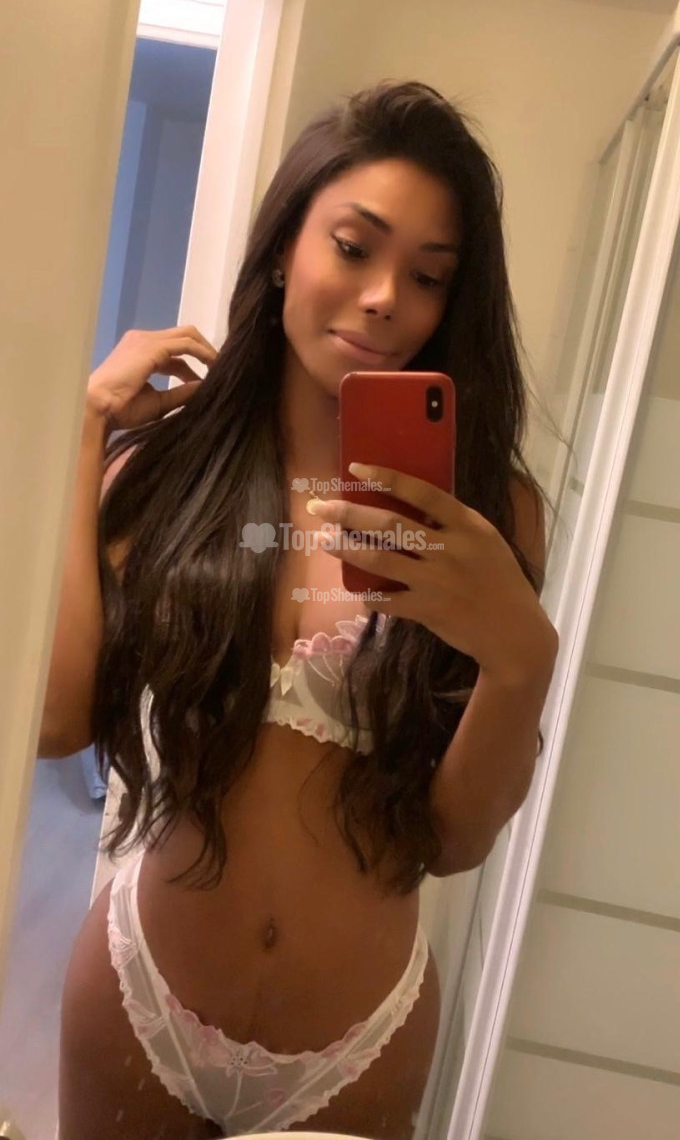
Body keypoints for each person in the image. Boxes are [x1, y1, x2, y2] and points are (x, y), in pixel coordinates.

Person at [46, 80, 559, 1139]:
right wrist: (84, 433)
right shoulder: (164, 474)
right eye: (354, 247)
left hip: (355, 1043)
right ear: (285, 247)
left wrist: (522, 658)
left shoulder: (486, 513)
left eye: (427, 277)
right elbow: (56, 722)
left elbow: (454, 838)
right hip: (140, 997)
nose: (383, 298)